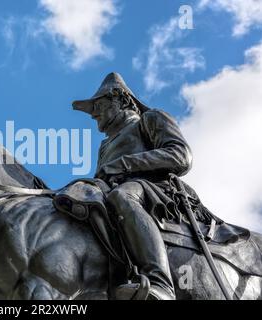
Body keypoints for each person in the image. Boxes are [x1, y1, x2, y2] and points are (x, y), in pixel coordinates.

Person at [72, 72, 198, 300]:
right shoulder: (104, 147)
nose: (94, 114)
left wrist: (124, 163)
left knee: (122, 197)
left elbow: (180, 155)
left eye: (98, 105)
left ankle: (160, 283)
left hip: (155, 190)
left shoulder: (149, 119)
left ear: (121, 100)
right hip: (112, 193)